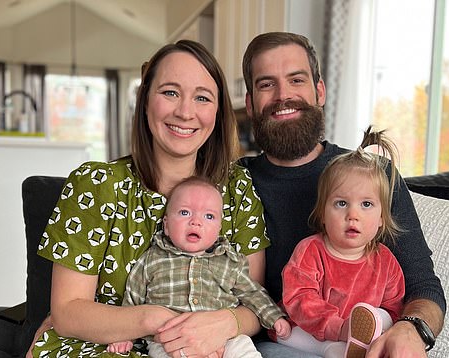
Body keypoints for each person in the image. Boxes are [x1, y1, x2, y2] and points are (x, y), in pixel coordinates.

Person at [29, 40, 272, 358]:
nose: (185, 112)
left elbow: (253, 303)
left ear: (217, 112)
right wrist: (155, 318)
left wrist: (223, 323)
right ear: (145, 102)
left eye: (202, 97)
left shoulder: (238, 189)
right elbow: (68, 312)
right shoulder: (96, 184)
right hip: (102, 348)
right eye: (170, 92)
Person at [238, 32, 446, 357]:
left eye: (296, 79)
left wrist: (412, 329)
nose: (283, 95)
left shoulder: (376, 176)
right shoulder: (234, 183)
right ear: (250, 103)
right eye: (267, 84)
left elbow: (423, 285)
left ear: (319, 91)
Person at [106, 176, 291, 357]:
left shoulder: (229, 262)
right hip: (169, 339)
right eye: (185, 212)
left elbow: (253, 293)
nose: (196, 221)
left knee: (243, 347)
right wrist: (124, 335)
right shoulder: (152, 259)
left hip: (223, 337)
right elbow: (133, 295)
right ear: (167, 225)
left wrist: (274, 317)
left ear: (218, 229)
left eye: (209, 216)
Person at [277, 127, 405, 358]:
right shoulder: (311, 251)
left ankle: (360, 339)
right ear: (323, 215)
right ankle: (337, 350)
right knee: (286, 333)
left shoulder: (385, 260)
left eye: (366, 204)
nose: (352, 215)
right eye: (341, 204)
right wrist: (340, 328)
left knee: (384, 316)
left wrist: (378, 323)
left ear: (381, 220)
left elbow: (394, 306)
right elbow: (300, 300)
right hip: (310, 329)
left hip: (364, 329)